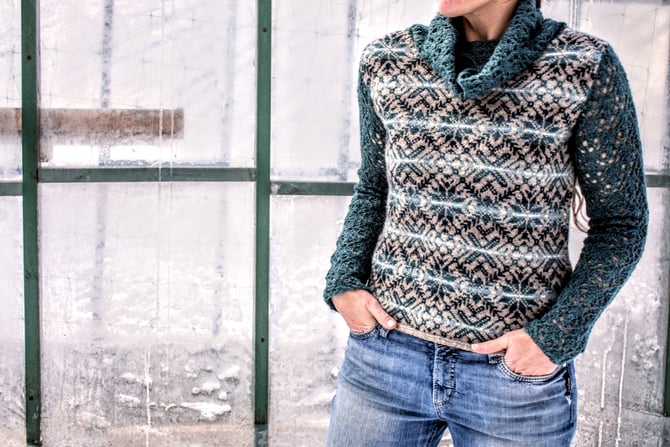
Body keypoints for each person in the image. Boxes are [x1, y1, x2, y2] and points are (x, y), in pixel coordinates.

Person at [323, 0, 649, 445]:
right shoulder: (388, 60)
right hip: (385, 359)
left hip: (512, 382)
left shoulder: (581, 65)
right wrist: (344, 281)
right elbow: (375, 189)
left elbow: (621, 223)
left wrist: (555, 336)